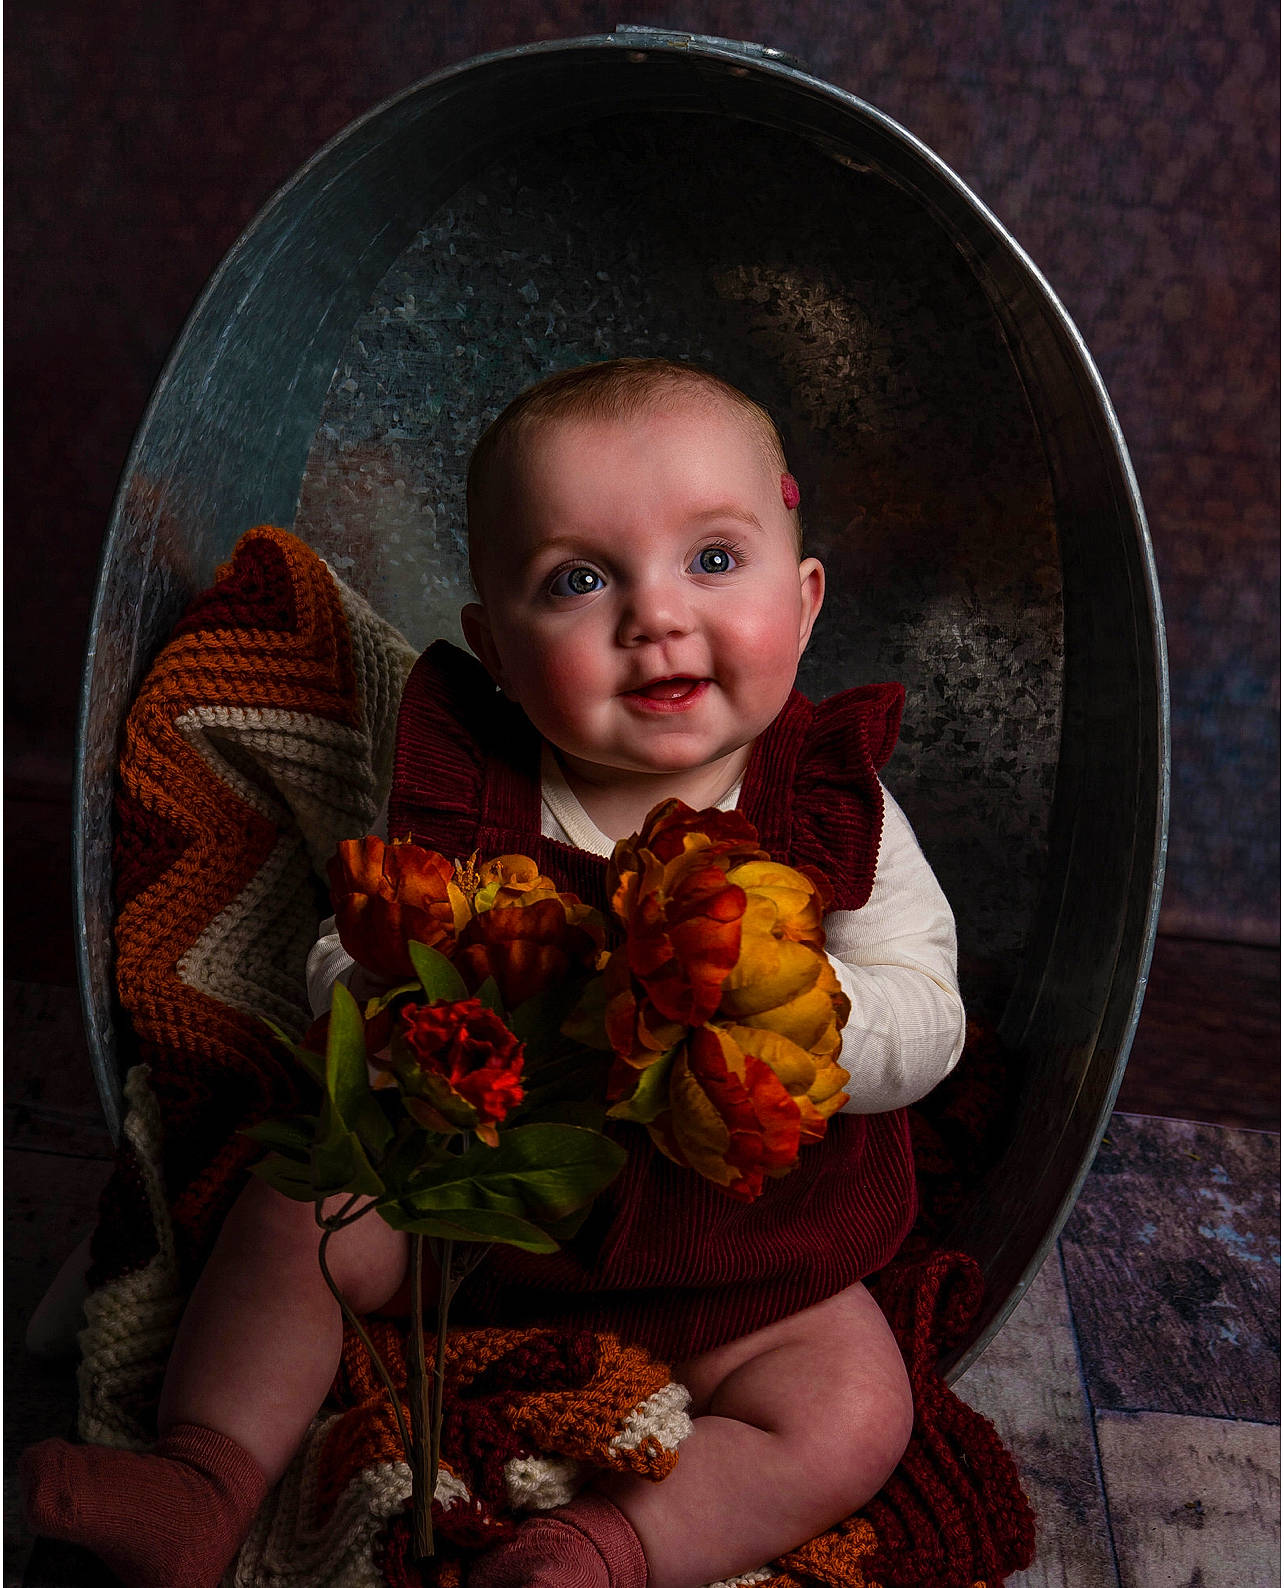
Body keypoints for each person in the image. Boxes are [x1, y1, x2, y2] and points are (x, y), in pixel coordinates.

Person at [23, 358, 966, 1588]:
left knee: (855, 1412)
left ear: (808, 596)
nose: (656, 615)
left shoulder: (835, 805)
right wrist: (407, 993)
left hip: (750, 1258)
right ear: (498, 650)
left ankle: (602, 1551)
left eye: (715, 560)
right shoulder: (470, 787)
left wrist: (799, 1015)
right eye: (579, 579)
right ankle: (204, 1478)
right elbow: (343, 942)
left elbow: (932, 1007)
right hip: (477, 1221)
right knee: (292, 1215)